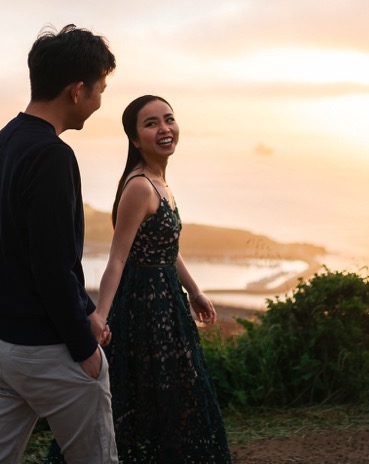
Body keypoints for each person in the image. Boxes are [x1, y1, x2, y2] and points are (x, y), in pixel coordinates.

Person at [0, 25, 118, 464]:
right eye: (100, 90)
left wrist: (87, 312)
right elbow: (52, 266)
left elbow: (18, 249)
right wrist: (83, 347)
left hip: (2, 345)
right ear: (77, 90)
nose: (99, 101)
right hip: (47, 351)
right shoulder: (53, 155)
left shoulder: (7, 138)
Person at [85, 95, 232, 462]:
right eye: (151, 124)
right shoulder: (139, 187)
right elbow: (117, 258)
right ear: (135, 139)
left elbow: (167, 247)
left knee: (174, 393)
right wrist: (99, 317)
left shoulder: (160, 181)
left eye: (169, 119)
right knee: (153, 397)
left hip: (169, 302)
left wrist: (194, 290)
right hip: (144, 308)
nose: (164, 129)